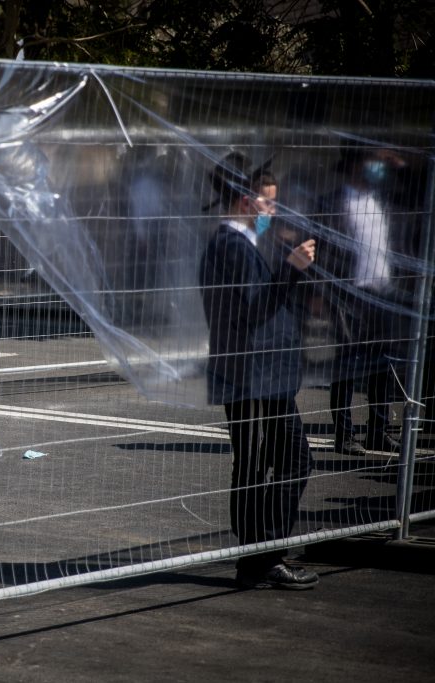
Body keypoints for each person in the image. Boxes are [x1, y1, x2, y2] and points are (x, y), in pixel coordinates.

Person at [198, 152, 320, 590]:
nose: (273, 212)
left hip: (261, 375)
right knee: (263, 464)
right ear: (247, 202)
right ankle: (262, 556)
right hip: (250, 378)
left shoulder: (240, 244)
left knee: (274, 461)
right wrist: (291, 271)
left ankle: (260, 555)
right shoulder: (230, 246)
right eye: (268, 204)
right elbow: (252, 311)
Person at [321, 148, 407, 456]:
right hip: (350, 295)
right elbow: (324, 251)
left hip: (382, 294)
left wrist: (401, 166)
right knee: (347, 367)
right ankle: (344, 434)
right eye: (370, 162)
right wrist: (327, 294)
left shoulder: (380, 200)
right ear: (355, 165)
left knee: (382, 366)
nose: (376, 168)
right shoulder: (333, 202)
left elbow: (416, 196)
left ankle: (378, 431)